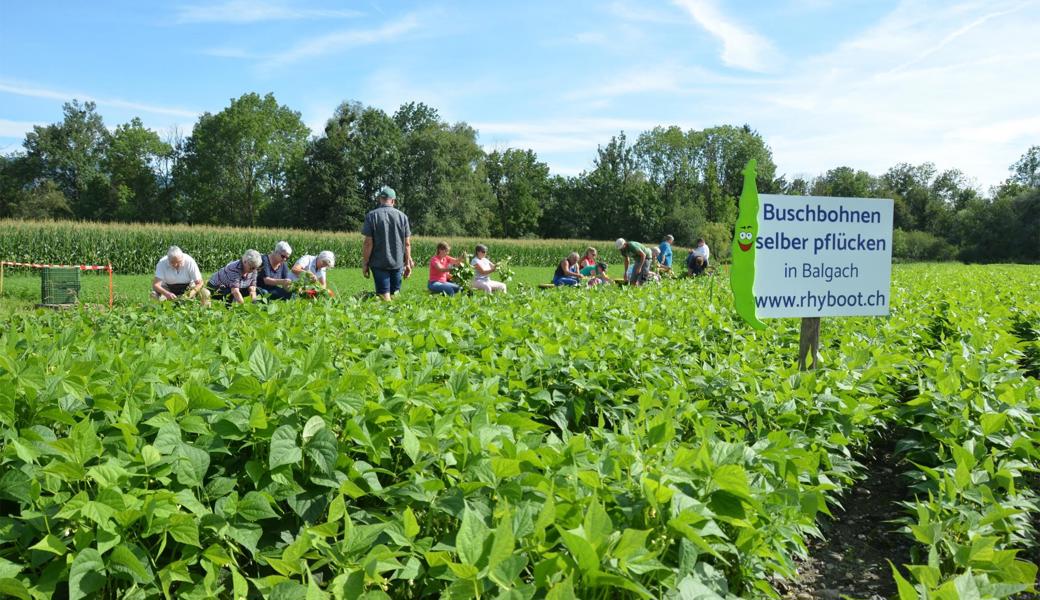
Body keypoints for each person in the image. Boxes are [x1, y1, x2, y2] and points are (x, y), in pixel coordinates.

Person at [362, 186, 414, 301]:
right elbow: (407, 244)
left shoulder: (372, 216)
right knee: (395, 295)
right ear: (393, 201)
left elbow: (368, 243)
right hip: (397, 263)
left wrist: (365, 263)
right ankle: (398, 317)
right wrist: (408, 262)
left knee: (384, 297)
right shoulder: (403, 217)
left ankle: (387, 317)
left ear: (380, 199)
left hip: (379, 263)